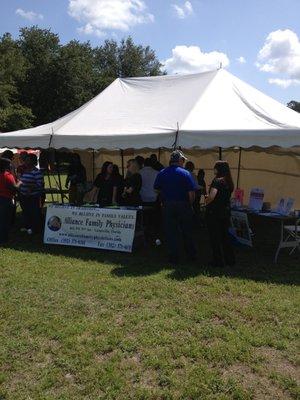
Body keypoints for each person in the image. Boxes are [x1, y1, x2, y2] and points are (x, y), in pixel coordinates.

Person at [154, 150, 197, 264]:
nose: (183, 163)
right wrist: (190, 204)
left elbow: (156, 189)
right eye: (183, 160)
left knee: (171, 232)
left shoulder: (162, 172)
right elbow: (191, 193)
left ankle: (174, 256)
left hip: (168, 205)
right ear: (180, 160)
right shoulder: (186, 173)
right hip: (183, 205)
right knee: (186, 231)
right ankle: (191, 255)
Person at [205, 160, 236, 268]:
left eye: (215, 167)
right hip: (225, 212)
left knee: (215, 238)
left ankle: (218, 260)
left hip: (214, 213)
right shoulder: (229, 182)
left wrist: (206, 200)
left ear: (218, 169)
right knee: (225, 237)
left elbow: (212, 196)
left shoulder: (217, 181)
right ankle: (230, 259)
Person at [19, 153, 44, 235]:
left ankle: (35, 229)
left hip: (32, 196)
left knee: (34, 212)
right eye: (25, 160)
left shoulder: (36, 172)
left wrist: (29, 187)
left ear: (32, 161)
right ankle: (27, 227)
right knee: (26, 212)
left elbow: (40, 185)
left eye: (27, 160)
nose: (25, 162)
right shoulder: (26, 171)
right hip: (24, 195)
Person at [0, 158, 19, 244]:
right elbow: (15, 188)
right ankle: (4, 240)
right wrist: (20, 182)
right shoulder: (7, 175)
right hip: (6, 200)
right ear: (7, 165)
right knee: (5, 221)